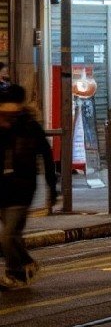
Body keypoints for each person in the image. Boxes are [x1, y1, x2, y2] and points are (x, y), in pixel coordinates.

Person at [0, 84, 56, 290]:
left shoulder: (29, 126)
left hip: (22, 189)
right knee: (12, 236)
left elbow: (47, 156)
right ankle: (21, 268)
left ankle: (17, 272)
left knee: (8, 236)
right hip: (2, 190)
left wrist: (52, 186)